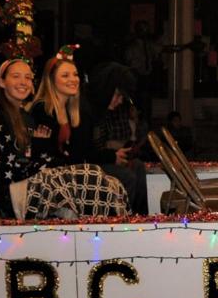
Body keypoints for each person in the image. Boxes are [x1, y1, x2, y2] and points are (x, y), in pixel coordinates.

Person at [0, 58, 127, 219]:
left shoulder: (23, 116)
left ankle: (107, 229)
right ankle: (101, 230)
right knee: (92, 176)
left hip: (31, 180)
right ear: (2, 82)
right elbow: (12, 167)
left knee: (104, 178)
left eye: (28, 77)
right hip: (14, 192)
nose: (23, 82)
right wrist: (44, 155)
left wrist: (43, 155)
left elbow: (30, 156)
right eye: (16, 76)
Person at [30, 49, 149, 215]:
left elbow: (81, 151)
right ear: (51, 80)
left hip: (73, 169)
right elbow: (66, 155)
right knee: (126, 176)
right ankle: (121, 224)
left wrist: (111, 154)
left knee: (136, 166)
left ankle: (139, 218)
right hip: (60, 176)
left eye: (75, 74)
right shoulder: (44, 109)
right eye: (65, 75)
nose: (73, 79)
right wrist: (110, 156)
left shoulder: (72, 111)